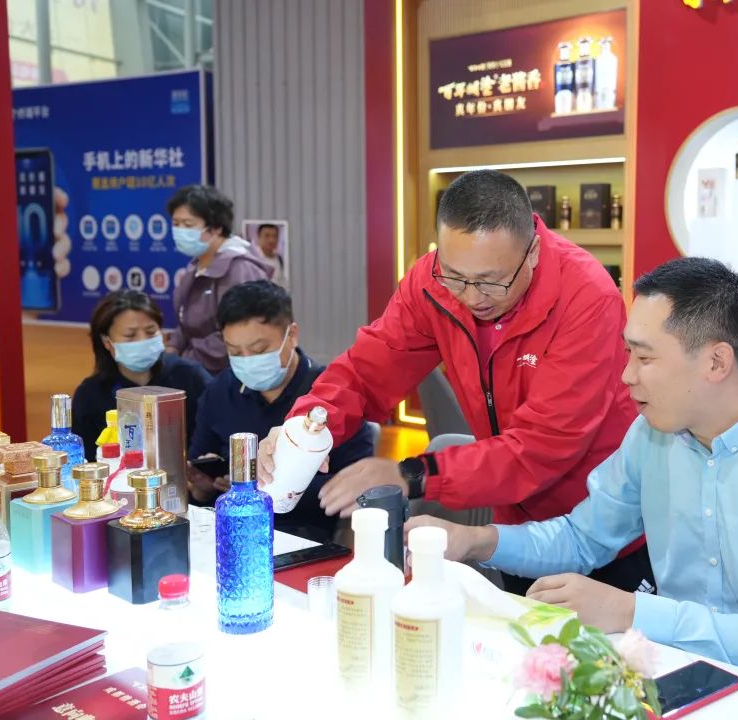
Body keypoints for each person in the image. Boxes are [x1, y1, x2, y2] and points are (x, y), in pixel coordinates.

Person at [408, 257, 738, 699]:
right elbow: (583, 538)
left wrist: (630, 611)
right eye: (628, 354)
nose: (626, 377)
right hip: (675, 680)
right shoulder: (652, 435)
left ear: (716, 363)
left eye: (645, 358)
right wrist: (476, 541)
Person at [258, 169, 650, 596]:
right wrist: (307, 426)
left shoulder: (587, 299)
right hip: (512, 526)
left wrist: (413, 473)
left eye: (491, 281)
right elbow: (366, 371)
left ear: (533, 251)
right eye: (455, 275)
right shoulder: (432, 284)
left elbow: (541, 447)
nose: (471, 297)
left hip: (600, 524)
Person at [188, 280, 375, 543]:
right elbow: (198, 472)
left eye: (259, 350)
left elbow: (358, 488)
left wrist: (270, 486)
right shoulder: (219, 393)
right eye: (235, 352)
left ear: (292, 335)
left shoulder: (333, 398)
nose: (247, 360)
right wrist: (203, 488)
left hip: (307, 537)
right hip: (231, 531)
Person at [72, 290, 212, 460]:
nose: (142, 340)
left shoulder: (190, 377)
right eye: (130, 335)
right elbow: (83, 460)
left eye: (151, 331)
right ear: (107, 342)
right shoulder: (90, 395)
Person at [165, 185, 272, 374]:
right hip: (196, 370)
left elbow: (244, 332)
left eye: (188, 225)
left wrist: (185, 360)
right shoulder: (197, 264)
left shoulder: (240, 269)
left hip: (230, 375)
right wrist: (172, 349)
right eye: (176, 224)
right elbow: (186, 323)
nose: (180, 231)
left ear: (215, 228)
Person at [254, 223, 288, 288]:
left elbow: (283, 284)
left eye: (275, 236)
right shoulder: (252, 259)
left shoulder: (279, 259)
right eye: (267, 236)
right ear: (258, 237)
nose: (271, 240)